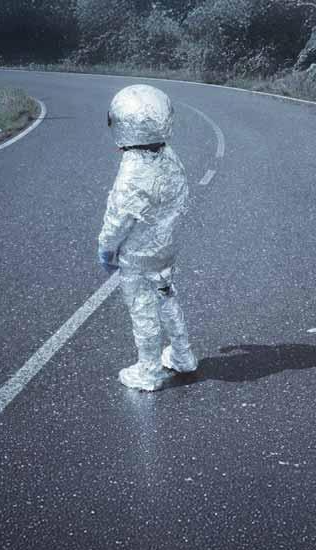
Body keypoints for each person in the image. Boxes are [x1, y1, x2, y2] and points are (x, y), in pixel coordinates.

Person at [98, 84, 198, 391]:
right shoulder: (170, 157)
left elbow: (119, 218)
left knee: (142, 308)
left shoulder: (132, 170)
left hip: (138, 254)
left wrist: (106, 248)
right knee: (166, 294)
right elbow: (181, 198)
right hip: (166, 245)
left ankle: (149, 371)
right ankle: (182, 355)